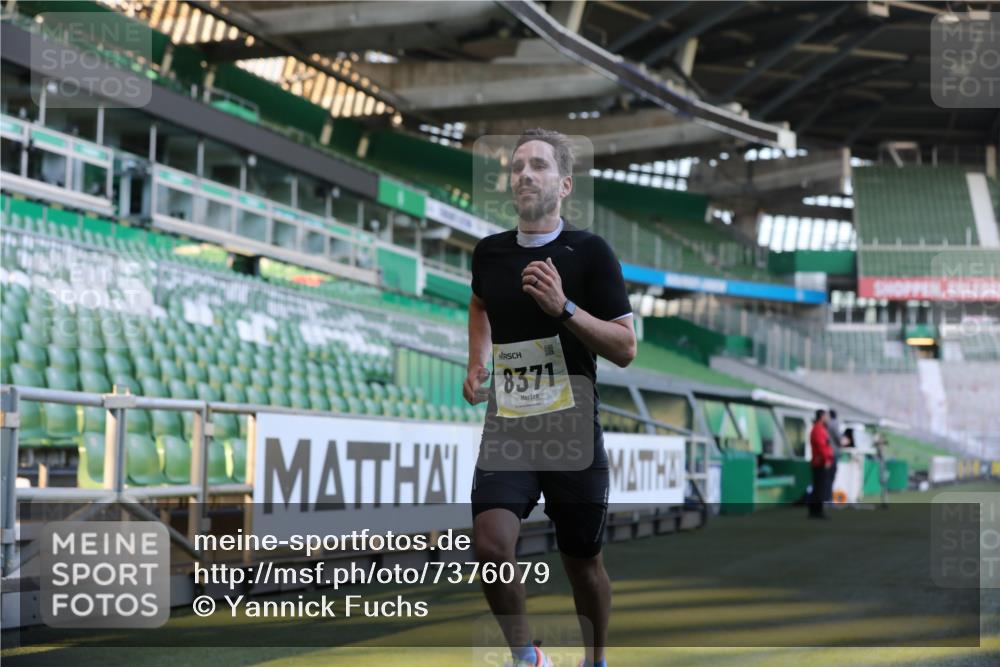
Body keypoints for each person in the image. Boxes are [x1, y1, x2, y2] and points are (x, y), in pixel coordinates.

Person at [464, 128, 636, 667]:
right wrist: (476, 360)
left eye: (538, 165)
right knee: (491, 546)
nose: (525, 174)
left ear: (564, 185)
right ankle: (527, 657)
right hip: (509, 427)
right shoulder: (489, 253)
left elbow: (626, 347)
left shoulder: (590, 253)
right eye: (517, 166)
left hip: (571, 432)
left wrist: (565, 308)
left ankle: (595, 660)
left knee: (582, 563)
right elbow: (479, 304)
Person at [808, 409, 833, 519]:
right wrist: (827, 459)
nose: (828, 418)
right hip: (820, 462)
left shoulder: (820, 428)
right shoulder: (818, 429)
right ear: (822, 417)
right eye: (827, 416)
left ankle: (815, 511)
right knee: (819, 488)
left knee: (818, 488)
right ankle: (817, 511)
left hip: (820, 462)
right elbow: (821, 446)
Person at [825, 409, 842, 505]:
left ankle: (828, 499)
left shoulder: (826, 424)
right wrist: (844, 441)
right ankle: (829, 499)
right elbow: (839, 438)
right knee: (830, 477)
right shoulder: (834, 424)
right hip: (832, 454)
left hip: (827, 453)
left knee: (827, 477)